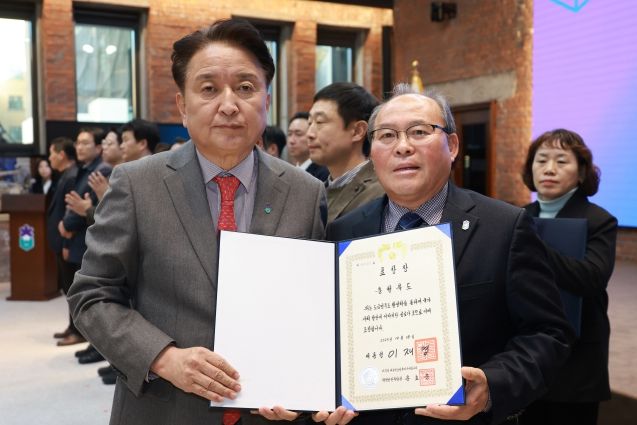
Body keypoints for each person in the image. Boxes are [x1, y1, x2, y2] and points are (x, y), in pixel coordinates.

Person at [68, 18, 325, 425]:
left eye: (245, 87)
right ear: (183, 106)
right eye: (208, 89)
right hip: (164, 410)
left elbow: (316, 307)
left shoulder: (306, 193)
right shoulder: (137, 184)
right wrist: (163, 358)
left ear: (266, 100)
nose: (229, 104)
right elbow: (91, 295)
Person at [321, 85, 574, 425]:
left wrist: (491, 386)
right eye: (387, 136)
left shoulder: (503, 227)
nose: (402, 146)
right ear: (372, 152)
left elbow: (548, 334)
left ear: (452, 146)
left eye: (419, 132)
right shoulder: (344, 232)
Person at [520, 129, 617, 425]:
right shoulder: (518, 216)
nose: (549, 169)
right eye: (541, 160)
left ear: (581, 172)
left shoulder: (599, 220)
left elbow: (590, 278)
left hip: (577, 358)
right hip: (525, 353)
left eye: (561, 161)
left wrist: (534, 246)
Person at [307, 82, 384, 223]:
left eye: (320, 122)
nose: (309, 134)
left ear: (357, 131)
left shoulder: (380, 193)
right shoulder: (313, 192)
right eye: (309, 123)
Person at [46, 137, 78, 343]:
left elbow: (71, 213)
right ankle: (72, 326)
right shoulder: (65, 175)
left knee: (72, 288)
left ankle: (78, 331)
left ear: (62, 154)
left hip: (67, 242)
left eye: (51, 153)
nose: (49, 158)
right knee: (67, 287)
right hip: (60, 242)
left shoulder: (71, 177)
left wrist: (67, 243)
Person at [287, 112, 328, 182]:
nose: (291, 141)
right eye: (289, 134)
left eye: (298, 134)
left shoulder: (323, 174)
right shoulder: (288, 172)